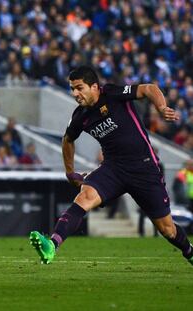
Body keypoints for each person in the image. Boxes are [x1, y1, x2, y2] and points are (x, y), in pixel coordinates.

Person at [30, 66, 193, 265]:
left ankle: (189, 252)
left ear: (94, 87)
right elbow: (67, 140)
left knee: (167, 229)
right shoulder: (80, 116)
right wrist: (70, 172)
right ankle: (51, 246)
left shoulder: (113, 93)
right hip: (113, 168)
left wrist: (161, 107)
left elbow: (149, 88)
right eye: (72, 89)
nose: (75, 94)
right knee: (84, 197)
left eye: (79, 88)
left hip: (144, 167)